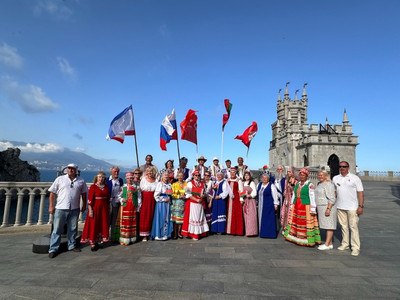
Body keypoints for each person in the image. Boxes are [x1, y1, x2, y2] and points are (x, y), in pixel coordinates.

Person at [48, 163, 87, 258]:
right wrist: (51, 206)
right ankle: (53, 249)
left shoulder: (81, 180)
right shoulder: (60, 179)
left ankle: (72, 245)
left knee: (73, 228)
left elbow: (84, 194)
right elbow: (52, 194)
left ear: (76, 170)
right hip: (61, 208)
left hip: (74, 208)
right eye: (69, 168)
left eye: (72, 169)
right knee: (57, 229)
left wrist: (84, 205)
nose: (70, 170)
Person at [333, 161, 364, 256]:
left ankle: (355, 247)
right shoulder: (335, 178)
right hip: (340, 206)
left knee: (353, 227)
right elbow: (335, 192)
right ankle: (345, 244)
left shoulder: (355, 178)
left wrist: (361, 206)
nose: (342, 168)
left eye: (344, 166)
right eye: (340, 166)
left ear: (348, 168)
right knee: (343, 226)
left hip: (352, 207)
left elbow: (360, 193)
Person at [284, 168, 321, 247]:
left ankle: (306, 239)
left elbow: (312, 197)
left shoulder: (310, 185)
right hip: (297, 205)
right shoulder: (297, 184)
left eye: (303, 175)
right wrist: (292, 205)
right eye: (300, 175)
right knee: (296, 221)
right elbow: (294, 194)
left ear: (306, 176)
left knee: (305, 222)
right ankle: (296, 237)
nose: (301, 176)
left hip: (305, 206)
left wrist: (313, 208)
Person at [80, 171, 110, 251]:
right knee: (94, 224)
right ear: (97, 177)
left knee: (101, 225)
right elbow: (90, 199)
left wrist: (108, 208)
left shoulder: (106, 187)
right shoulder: (93, 187)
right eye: (100, 177)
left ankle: (97, 241)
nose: (101, 179)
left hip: (103, 209)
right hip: (95, 209)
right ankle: (92, 243)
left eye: (103, 177)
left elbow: (108, 199)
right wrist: (90, 210)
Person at [182, 170, 209, 240]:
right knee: (193, 218)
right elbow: (187, 194)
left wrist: (203, 196)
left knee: (199, 218)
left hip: (200, 203)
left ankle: (199, 233)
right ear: (193, 176)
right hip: (192, 202)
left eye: (198, 175)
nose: (197, 177)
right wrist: (196, 199)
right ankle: (193, 234)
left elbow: (206, 193)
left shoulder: (202, 184)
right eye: (196, 175)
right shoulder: (189, 183)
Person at [117, 171, 141, 245]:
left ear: (133, 178)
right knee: (125, 222)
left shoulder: (137, 187)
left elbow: (139, 197)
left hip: (133, 207)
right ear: (126, 179)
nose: (130, 180)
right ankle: (124, 238)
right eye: (128, 178)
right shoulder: (123, 187)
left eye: (131, 178)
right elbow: (118, 196)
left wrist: (138, 207)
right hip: (125, 207)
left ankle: (132, 238)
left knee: (132, 222)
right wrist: (121, 199)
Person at [315, 170, 337, 250]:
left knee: (329, 225)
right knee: (326, 225)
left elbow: (332, 198)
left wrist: (328, 208)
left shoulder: (329, 184)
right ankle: (330, 243)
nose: (320, 176)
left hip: (327, 206)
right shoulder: (320, 184)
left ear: (326, 176)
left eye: (322, 175)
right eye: (319, 175)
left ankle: (327, 244)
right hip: (321, 207)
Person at [151, 172, 173, 241]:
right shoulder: (160, 184)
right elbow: (156, 196)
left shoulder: (169, 184)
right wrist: (163, 199)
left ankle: (165, 234)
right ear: (162, 176)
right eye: (165, 175)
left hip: (168, 204)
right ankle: (158, 234)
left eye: (167, 175)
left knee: (167, 218)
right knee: (161, 218)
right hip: (161, 204)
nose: (166, 176)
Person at [256, 172, 279, 238]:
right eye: (263, 178)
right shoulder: (259, 185)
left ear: (268, 179)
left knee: (268, 220)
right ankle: (262, 232)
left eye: (266, 178)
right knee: (261, 218)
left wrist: (276, 204)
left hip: (268, 205)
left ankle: (269, 234)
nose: (264, 179)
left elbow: (275, 195)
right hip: (261, 205)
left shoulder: (271, 185)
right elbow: (257, 194)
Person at [139, 166, 158, 242]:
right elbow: (140, 190)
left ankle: (151, 233)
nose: (150, 173)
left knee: (152, 216)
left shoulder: (156, 180)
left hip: (153, 199)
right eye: (148, 171)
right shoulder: (143, 180)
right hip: (145, 199)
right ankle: (144, 235)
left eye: (151, 171)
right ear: (146, 172)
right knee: (144, 216)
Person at [106, 166, 124, 244]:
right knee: (107, 219)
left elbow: (122, 190)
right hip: (108, 202)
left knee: (114, 220)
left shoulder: (120, 180)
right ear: (111, 172)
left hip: (116, 202)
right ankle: (105, 236)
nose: (116, 173)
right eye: (114, 172)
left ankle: (113, 236)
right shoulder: (107, 180)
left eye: (117, 172)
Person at [226, 167, 244, 236]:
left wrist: (241, 199)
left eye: (233, 172)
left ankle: (237, 231)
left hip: (236, 199)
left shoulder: (238, 180)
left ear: (235, 173)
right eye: (231, 172)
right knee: (229, 214)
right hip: (229, 199)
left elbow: (241, 190)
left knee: (236, 214)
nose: (232, 173)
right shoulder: (227, 180)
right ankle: (229, 230)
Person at [280, 166, 297, 234]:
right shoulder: (286, 180)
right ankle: (285, 227)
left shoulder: (296, 181)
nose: (288, 173)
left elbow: (294, 191)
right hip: (286, 199)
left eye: (289, 171)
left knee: (290, 213)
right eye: (288, 172)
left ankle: (290, 228)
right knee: (284, 213)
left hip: (292, 199)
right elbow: (285, 189)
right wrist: (285, 193)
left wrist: (292, 184)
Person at [171, 171, 187, 239]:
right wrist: (178, 196)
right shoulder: (174, 184)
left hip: (183, 203)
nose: (180, 177)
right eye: (179, 176)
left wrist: (185, 195)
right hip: (176, 203)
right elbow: (172, 194)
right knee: (175, 219)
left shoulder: (186, 184)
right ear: (177, 177)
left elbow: (188, 192)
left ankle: (179, 233)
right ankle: (175, 233)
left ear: (183, 176)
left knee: (181, 219)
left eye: (181, 176)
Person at [242, 171, 258, 236]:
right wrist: (241, 195)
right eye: (245, 175)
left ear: (250, 176)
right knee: (246, 216)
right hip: (245, 201)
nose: (246, 176)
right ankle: (247, 231)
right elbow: (242, 192)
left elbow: (255, 192)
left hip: (251, 201)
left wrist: (250, 195)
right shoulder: (243, 183)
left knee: (251, 216)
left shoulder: (252, 183)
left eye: (247, 175)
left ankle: (252, 232)